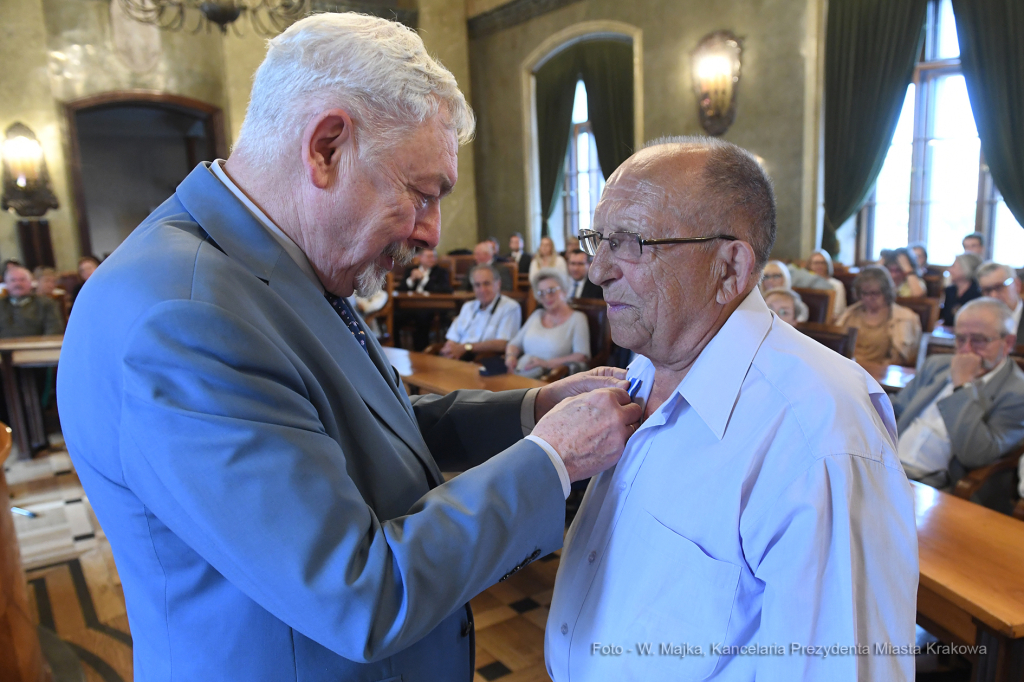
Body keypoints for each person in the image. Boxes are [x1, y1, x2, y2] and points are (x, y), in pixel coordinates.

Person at [56, 14, 642, 682]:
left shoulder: (273, 262)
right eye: (422, 195)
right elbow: (359, 593)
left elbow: (359, 424)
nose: (432, 232)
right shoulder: (183, 316)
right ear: (326, 147)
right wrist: (553, 459)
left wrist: (531, 411)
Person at [546, 136, 917, 681]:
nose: (597, 270)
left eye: (628, 243)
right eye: (597, 240)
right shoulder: (648, 365)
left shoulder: (820, 436)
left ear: (730, 266)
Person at [893, 298, 1024, 513]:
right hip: (888, 467)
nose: (966, 350)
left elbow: (976, 454)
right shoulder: (937, 365)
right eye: (960, 339)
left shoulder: (1017, 392)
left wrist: (962, 386)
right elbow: (897, 409)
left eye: (979, 340)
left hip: (938, 490)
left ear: (1008, 343)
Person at [505, 269, 589, 379]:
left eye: (551, 291)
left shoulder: (578, 318)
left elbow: (582, 356)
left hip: (551, 379)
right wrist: (510, 357)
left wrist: (547, 363)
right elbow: (514, 344)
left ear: (564, 290)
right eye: (541, 293)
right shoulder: (537, 314)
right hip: (519, 374)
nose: (547, 297)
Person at [836, 266, 921, 367]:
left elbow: (902, 359)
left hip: (881, 373)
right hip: (849, 369)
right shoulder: (850, 314)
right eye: (865, 293)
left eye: (874, 293)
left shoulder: (903, 317)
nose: (869, 298)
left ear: (886, 292)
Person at [440, 264, 522, 359]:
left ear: (498, 284)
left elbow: (503, 344)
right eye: (477, 285)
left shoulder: (510, 307)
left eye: (486, 284)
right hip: (458, 358)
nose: (482, 290)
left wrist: (465, 347)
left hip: (482, 359)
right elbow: (453, 337)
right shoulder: (468, 306)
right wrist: (449, 350)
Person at [0, 263, 64, 338]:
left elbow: (54, 330)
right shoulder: (1, 304)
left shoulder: (47, 304)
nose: (17, 284)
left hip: (37, 347)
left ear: (30, 282)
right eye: (13, 280)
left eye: (22, 280)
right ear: (6, 283)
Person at [977, 262, 1023, 344]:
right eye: (987, 290)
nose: (993, 296)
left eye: (999, 287)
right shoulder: (979, 320)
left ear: (1017, 285)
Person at [940, 253, 983, 326]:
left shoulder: (978, 293)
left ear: (965, 268)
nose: (949, 270)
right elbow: (945, 317)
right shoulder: (950, 291)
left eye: (953, 266)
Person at [806, 248, 847, 317]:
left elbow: (838, 312)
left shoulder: (837, 285)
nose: (819, 266)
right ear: (810, 265)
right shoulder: (805, 283)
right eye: (816, 263)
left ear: (828, 265)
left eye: (823, 263)